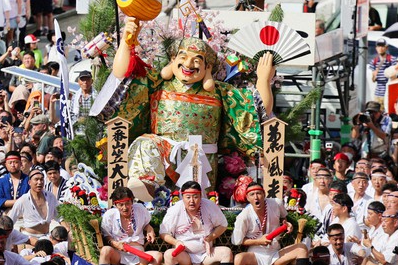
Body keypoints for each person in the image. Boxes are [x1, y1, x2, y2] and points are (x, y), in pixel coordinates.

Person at [105, 30, 273, 200]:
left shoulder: (220, 92)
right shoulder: (157, 84)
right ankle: (147, 186)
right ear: (173, 60)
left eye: (197, 60)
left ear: (207, 67)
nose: (188, 64)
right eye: (183, 57)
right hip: (165, 156)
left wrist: (263, 81)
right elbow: (123, 76)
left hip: (201, 160)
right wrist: (127, 42)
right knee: (145, 143)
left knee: (197, 203)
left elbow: (254, 112)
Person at [232, 182, 310, 265]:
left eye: (259, 193)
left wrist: (287, 224)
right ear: (248, 198)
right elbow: (237, 241)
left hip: (275, 254)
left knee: (302, 249)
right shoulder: (243, 216)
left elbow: (284, 217)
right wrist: (259, 241)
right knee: (238, 260)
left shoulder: (276, 203)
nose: (256, 197)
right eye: (252, 194)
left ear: (264, 195)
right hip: (255, 255)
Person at [160, 182, 235, 265]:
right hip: (185, 255)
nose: (192, 201)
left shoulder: (209, 206)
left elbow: (223, 225)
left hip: (206, 254)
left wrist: (210, 237)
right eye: (188, 197)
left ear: (201, 196)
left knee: (226, 252)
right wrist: (176, 242)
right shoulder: (175, 210)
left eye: (195, 197)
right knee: (169, 255)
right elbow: (163, 233)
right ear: (182, 197)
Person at [98, 187, 162, 265]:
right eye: (121, 205)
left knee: (158, 256)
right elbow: (106, 236)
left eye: (127, 203)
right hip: (119, 252)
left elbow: (146, 224)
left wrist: (150, 229)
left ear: (132, 201)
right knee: (105, 251)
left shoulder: (140, 209)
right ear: (115, 205)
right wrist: (115, 244)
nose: (125, 207)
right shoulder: (110, 215)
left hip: (138, 252)